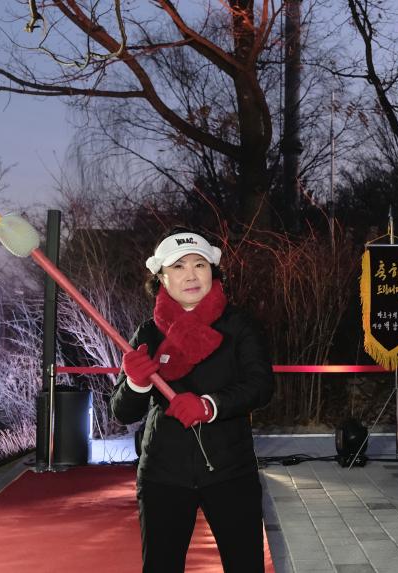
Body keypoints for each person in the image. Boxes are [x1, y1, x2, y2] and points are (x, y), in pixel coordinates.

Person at [111, 228, 274, 573]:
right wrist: (137, 383)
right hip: (163, 473)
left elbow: (261, 386)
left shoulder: (239, 326)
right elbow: (122, 412)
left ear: (212, 271)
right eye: (178, 266)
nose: (190, 275)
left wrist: (210, 405)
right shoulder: (148, 333)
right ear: (161, 277)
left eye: (199, 265)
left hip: (230, 469)